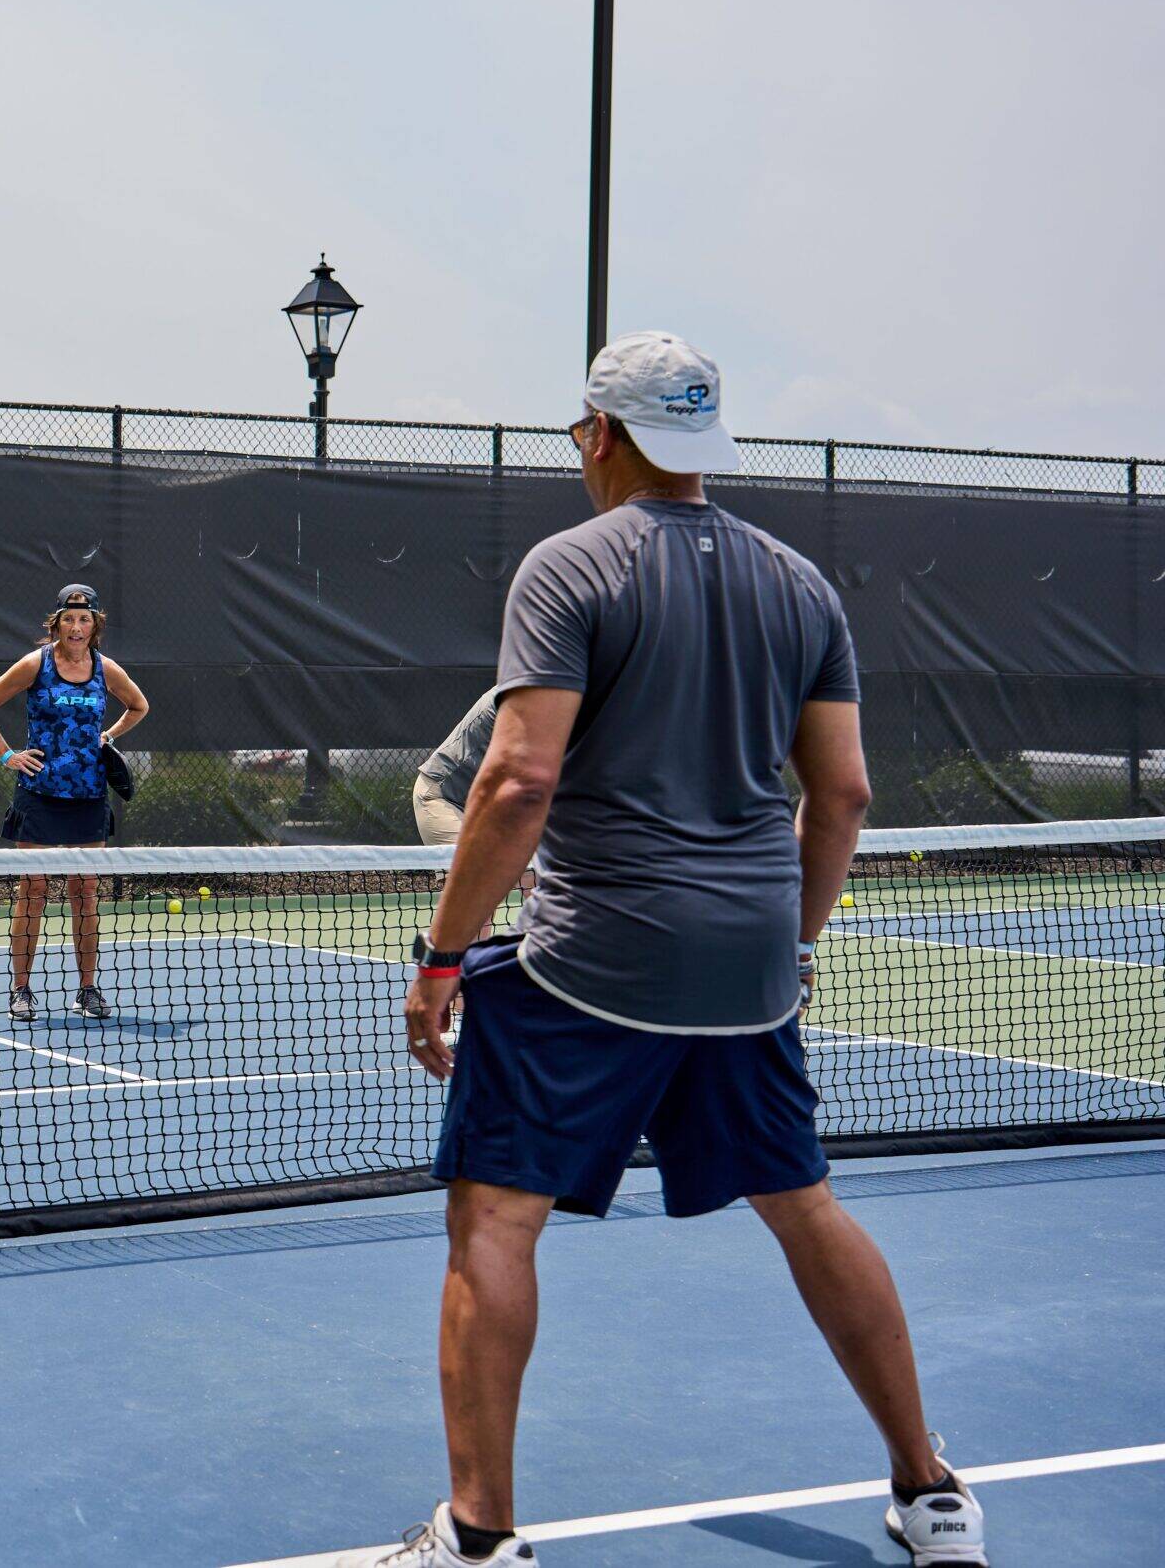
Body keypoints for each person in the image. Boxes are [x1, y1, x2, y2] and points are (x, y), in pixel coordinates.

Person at [350, 334, 984, 1567]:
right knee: (805, 1208)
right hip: (748, 972)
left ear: (597, 431)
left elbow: (516, 778)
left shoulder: (565, 567)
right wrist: (788, 946)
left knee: (495, 1220)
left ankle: (478, 1540)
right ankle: (933, 1495)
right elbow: (841, 797)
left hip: (593, 964)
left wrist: (441, 959)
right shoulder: (802, 586)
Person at [0, 584, 149, 1023]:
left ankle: (87, 989)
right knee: (32, 891)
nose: (76, 626)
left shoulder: (106, 669)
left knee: (85, 894)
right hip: (39, 796)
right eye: (69, 618)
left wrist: (107, 737)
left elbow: (138, 706)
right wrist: (8, 755)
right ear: (57, 623)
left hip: (89, 796)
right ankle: (22, 989)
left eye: (84, 619)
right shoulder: (36, 664)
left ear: (94, 625)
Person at [412, 688, 498, 848]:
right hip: (441, 798)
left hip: (482, 806)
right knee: (488, 869)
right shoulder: (516, 697)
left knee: (527, 869)